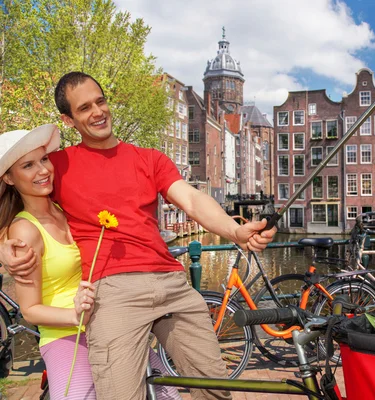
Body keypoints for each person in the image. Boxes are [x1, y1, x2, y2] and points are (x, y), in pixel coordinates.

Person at [0, 71, 277, 400]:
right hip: (113, 291)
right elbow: (19, 195)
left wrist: (234, 230)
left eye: (100, 101)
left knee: (215, 386)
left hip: (171, 283)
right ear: (69, 120)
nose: (98, 112)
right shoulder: (56, 165)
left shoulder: (150, 158)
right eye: (85, 108)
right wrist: (4, 241)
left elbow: (190, 199)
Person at [0, 125, 181, 399]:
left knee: (165, 395)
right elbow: (30, 310)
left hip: (112, 326)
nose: (43, 170)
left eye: (44, 159)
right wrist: (76, 316)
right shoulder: (25, 231)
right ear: (10, 178)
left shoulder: (66, 209)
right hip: (66, 338)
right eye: (28, 165)